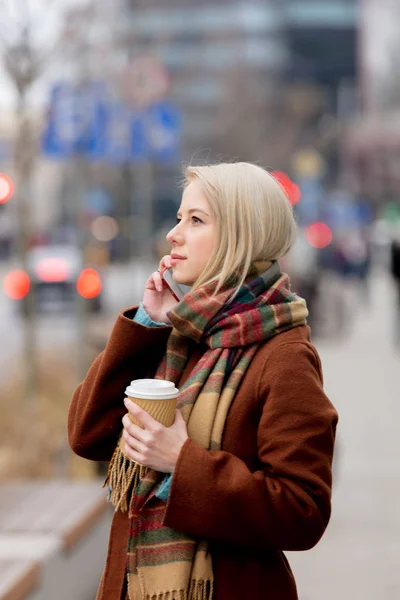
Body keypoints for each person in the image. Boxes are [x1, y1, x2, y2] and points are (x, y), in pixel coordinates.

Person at [68, 162, 338, 600]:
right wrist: (147, 326)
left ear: (240, 235)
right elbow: (87, 436)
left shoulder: (284, 356)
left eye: (195, 220)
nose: (174, 234)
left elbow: (302, 510)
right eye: (179, 218)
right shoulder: (181, 334)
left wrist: (182, 463)